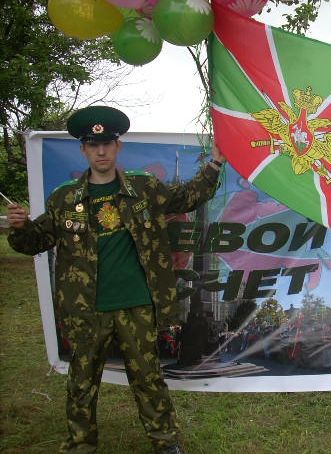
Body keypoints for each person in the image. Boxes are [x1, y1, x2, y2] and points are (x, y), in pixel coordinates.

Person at [7, 105, 226, 454]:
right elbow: (36, 242)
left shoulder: (144, 187)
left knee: (148, 379)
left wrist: (214, 164)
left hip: (137, 305)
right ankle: (81, 444)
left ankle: (166, 443)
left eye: (107, 143)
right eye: (93, 145)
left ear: (118, 146)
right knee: (82, 383)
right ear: (83, 150)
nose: (101, 151)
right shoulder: (65, 198)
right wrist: (20, 227)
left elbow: (186, 196)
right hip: (86, 310)